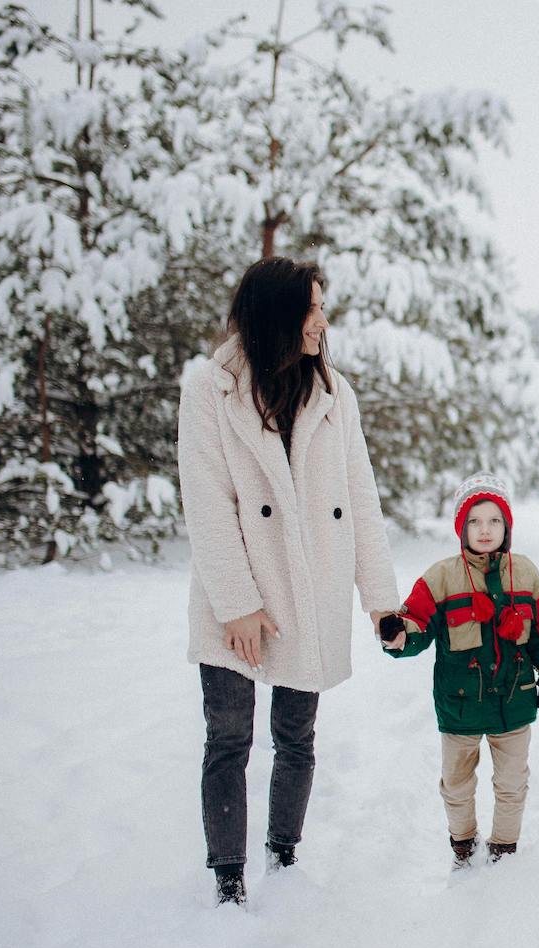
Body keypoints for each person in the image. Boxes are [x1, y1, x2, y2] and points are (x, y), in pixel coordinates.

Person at [178, 256, 398, 907]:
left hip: (311, 588)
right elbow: (208, 504)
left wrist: (383, 604)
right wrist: (238, 606)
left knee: (296, 735)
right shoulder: (209, 389)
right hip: (235, 594)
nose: (322, 322)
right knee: (229, 738)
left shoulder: (332, 391)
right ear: (277, 315)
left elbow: (361, 500)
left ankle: (284, 854)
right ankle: (228, 876)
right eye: (312, 308)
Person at [380, 473, 539, 869]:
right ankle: (463, 845)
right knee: (457, 785)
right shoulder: (441, 577)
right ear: (461, 527)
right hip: (459, 705)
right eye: (475, 521)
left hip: (514, 700)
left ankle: (504, 850)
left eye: (494, 520)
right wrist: (397, 635)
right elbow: (415, 625)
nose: (485, 529)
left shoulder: (525, 573)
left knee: (512, 783)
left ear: (506, 526)